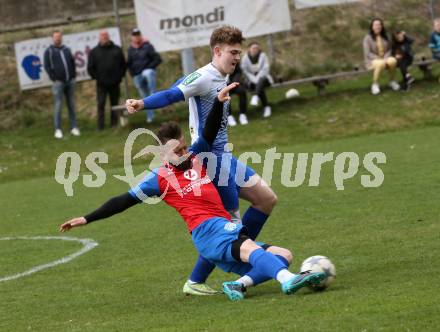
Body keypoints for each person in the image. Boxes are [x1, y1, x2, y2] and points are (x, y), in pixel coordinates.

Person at [59, 84, 325, 302]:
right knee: (252, 249)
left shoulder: (196, 157)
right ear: (163, 154)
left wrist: (219, 103)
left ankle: (238, 285)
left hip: (220, 232)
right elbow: (122, 201)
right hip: (208, 232)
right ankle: (288, 281)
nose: (185, 152)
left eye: (184, 147)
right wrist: (86, 218)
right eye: (178, 151)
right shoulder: (159, 179)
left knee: (284, 255)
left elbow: (208, 130)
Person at [126, 26, 279, 296]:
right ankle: (213, 276)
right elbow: (172, 94)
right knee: (232, 225)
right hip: (210, 161)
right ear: (217, 51)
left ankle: (243, 258)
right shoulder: (203, 77)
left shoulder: (223, 76)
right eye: (232, 53)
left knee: (266, 199)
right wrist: (143, 103)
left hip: (226, 156)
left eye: (239, 53)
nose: (236, 58)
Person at [43, 30, 80, 139]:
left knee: (71, 105)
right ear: (52, 38)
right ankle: (58, 129)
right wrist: (54, 78)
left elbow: (72, 63)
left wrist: (73, 76)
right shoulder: (49, 51)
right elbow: (47, 66)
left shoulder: (67, 50)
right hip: (58, 82)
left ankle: (74, 127)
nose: (58, 39)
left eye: (59, 37)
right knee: (58, 105)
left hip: (70, 81)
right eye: (56, 37)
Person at [87, 30, 126, 130]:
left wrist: (119, 77)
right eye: (102, 36)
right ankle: (100, 126)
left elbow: (123, 65)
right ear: (99, 38)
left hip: (115, 83)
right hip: (101, 84)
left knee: (115, 103)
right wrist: (98, 78)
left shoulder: (117, 49)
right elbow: (90, 68)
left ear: (109, 37)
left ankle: (114, 123)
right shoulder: (94, 52)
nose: (104, 38)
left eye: (106, 36)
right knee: (101, 104)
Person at [127, 28, 162, 123]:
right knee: (143, 98)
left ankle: (153, 92)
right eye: (134, 35)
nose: (136, 37)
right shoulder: (130, 49)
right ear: (132, 37)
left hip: (147, 72)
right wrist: (133, 74)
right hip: (137, 75)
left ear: (140, 35)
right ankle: (151, 117)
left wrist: (148, 67)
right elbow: (129, 64)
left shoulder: (148, 46)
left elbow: (158, 59)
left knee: (148, 73)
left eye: (138, 34)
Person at [363, 18, 400, 95]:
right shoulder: (367, 38)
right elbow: (367, 53)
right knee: (380, 64)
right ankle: (375, 84)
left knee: (393, 61)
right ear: (372, 27)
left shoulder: (386, 36)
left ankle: (392, 81)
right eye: (375, 25)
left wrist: (386, 57)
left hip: (385, 57)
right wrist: (379, 59)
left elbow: (390, 49)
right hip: (372, 60)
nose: (378, 26)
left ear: (382, 26)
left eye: (379, 25)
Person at [240, 42, 274, 118]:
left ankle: (256, 96)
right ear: (249, 49)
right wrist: (254, 79)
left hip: (264, 79)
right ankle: (266, 107)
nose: (255, 49)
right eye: (253, 48)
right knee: (259, 86)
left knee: (261, 82)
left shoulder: (263, 56)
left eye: (257, 48)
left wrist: (257, 79)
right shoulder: (245, 58)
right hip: (250, 81)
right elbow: (245, 71)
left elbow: (265, 69)